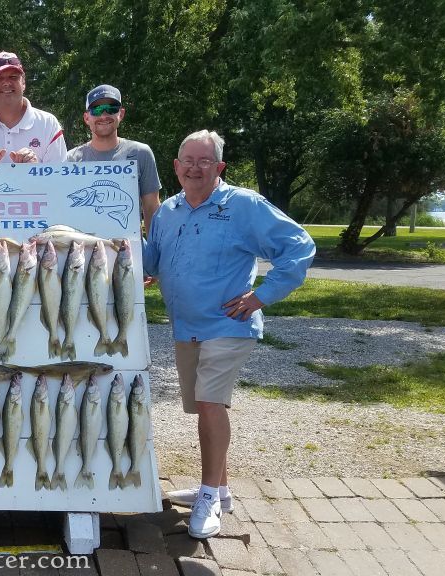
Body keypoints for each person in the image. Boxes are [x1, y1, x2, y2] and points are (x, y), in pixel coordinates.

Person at [142, 130, 314, 539]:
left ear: (219, 167)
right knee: (202, 407)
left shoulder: (243, 205)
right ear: (176, 167)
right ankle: (221, 489)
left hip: (227, 325)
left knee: (209, 403)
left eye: (204, 161)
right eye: (187, 160)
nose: (195, 168)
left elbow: (299, 245)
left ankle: (208, 498)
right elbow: (151, 260)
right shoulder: (167, 211)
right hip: (186, 326)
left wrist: (263, 295)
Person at [66, 85, 162, 236]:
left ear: (121, 113)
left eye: (111, 108)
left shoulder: (142, 153)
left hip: (130, 250)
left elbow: (151, 208)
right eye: (96, 110)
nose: (104, 115)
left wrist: (153, 253)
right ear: (86, 118)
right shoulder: (70, 159)